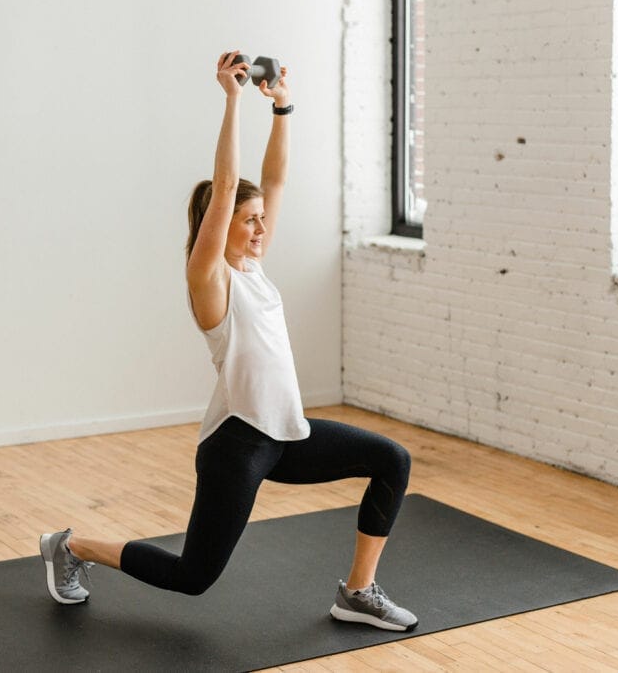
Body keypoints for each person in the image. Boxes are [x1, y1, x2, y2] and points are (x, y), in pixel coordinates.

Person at [40, 51, 417, 632]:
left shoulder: (256, 270)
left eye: (263, 218)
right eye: (250, 220)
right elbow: (224, 188)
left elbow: (277, 178)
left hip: (288, 433)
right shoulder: (209, 278)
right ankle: (72, 546)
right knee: (194, 577)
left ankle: (358, 592)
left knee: (391, 458)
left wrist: (283, 106)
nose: (263, 228)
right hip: (238, 444)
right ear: (221, 225)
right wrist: (233, 100)